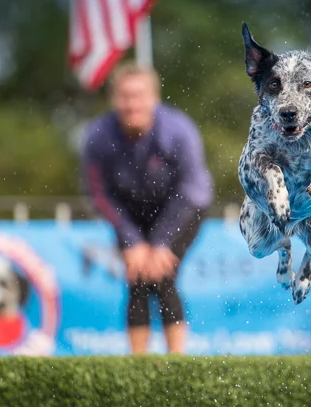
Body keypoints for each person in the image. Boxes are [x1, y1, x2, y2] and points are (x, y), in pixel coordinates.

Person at [81, 61, 214, 354]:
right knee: (137, 276)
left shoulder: (179, 130)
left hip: (183, 208)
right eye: (125, 96)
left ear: (154, 98)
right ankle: (138, 367)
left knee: (162, 273)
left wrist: (160, 242)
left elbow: (189, 191)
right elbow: (98, 194)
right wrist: (131, 241)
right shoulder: (97, 136)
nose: (132, 104)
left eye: (139, 96)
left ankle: (176, 364)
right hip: (130, 211)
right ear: (114, 99)